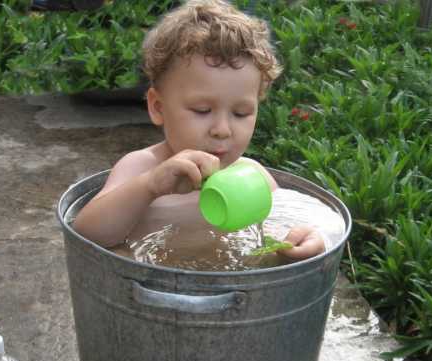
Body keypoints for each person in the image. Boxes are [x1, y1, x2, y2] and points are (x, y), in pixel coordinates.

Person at [73, 0, 326, 258]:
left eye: (241, 113)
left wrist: (306, 241)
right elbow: (86, 233)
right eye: (202, 111)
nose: (222, 130)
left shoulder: (253, 177)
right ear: (159, 108)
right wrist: (149, 187)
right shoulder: (141, 168)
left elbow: (293, 225)